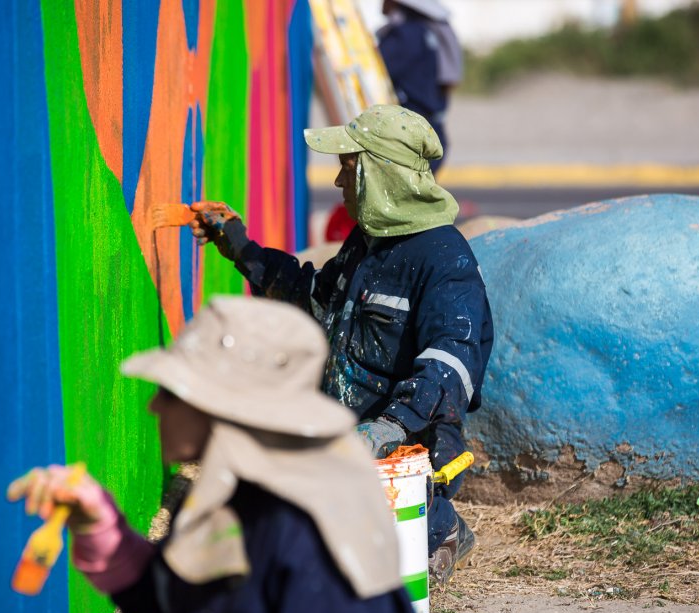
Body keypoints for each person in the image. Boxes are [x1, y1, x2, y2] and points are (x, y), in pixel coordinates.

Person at [189, 104, 493, 585]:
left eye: (348, 169)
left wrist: (386, 430)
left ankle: (442, 530)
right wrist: (240, 247)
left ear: (380, 177)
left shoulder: (443, 260)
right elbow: (311, 297)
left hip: (408, 443)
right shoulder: (367, 243)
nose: (338, 183)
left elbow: (450, 363)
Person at [7, 296, 424, 613]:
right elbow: (165, 601)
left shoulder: (301, 529)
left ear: (221, 410)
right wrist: (99, 526)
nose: (154, 405)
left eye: (171, 393)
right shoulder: (238, 503)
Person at [377, 0, 463, 173]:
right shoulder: (427, 30)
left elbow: (378, 70)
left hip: (409, 139)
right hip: (430, 132)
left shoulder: (405, 35)